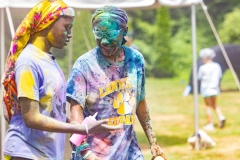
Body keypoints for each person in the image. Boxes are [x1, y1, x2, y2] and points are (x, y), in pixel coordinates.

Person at [1, 1, 122, 160]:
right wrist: (83, 129)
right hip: (27, 153)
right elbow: (31, 117)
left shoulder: (49, 60)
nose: (70, 34)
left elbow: (49, 109)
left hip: (45, 153)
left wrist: (75, 124)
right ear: (47, 23)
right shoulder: (29, 62)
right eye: (66, 27)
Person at [66, 6, 167, 160]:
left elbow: (139, 101)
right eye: (99, 33)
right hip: (94, 154)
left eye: (111, 34)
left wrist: (153, 143)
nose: (104, 41)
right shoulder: (84, 65)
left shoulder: (135, 59)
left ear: (124, 31)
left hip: (129, 152)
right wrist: (85, 152)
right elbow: (75, 111)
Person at [198, 48, 226, 131]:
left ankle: (210, 124)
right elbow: (219, 76)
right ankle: (221, 116)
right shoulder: (216, 66)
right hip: (215, 88)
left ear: (204, 57)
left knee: (208, 106)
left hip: (206, 89)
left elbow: (199, 77)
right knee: (214, 104)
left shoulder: (203, 68)